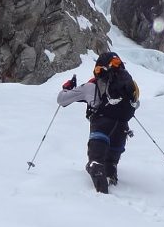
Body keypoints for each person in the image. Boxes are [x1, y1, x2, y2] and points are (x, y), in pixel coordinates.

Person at [57, 51, 140, 193]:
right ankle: (112, 178)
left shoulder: (90, 87)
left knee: (96, 163)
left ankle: (103, 201)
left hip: (101, 128)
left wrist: (67, 88)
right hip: (121, 130)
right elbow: (136, 104)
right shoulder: (125, 87)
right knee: (110, 163)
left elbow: (62, 100)